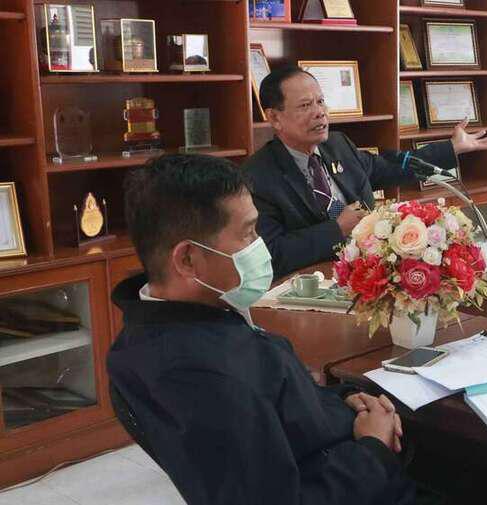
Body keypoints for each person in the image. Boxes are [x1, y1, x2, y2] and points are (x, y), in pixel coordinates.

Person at [108, 154, 416, 505]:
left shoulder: (193, 318)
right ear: (188, 259)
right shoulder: (202, 376)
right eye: (248, 233)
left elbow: (283, 403)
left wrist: (342, 397)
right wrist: (373, 449)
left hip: (344, 446)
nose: (260, 245)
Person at [244, 66, 487, 278]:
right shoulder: (258, 176)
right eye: (305, 105)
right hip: (311, 286)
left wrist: (451, 148)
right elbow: (272, 255)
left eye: (320, 101)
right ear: (274, 118)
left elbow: (391, 166)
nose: (319, 112)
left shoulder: (338, 145)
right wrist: (337, 229)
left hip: (370, 273)